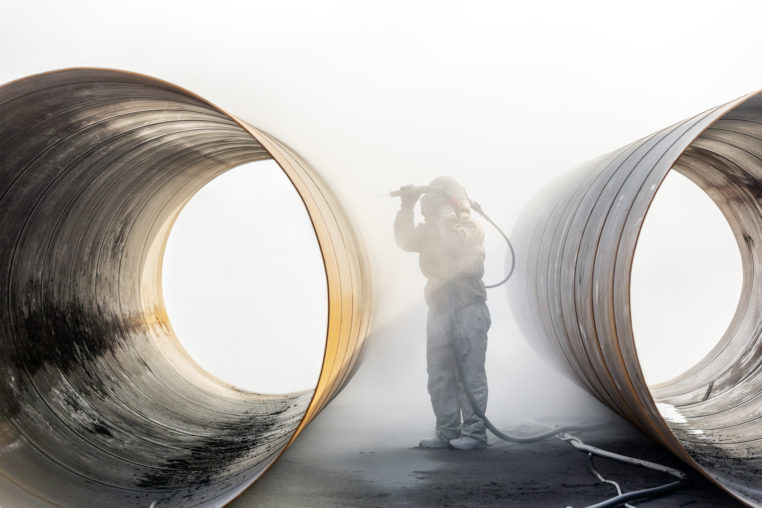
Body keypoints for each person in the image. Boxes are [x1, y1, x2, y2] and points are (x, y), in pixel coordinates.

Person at [394, 176, 491, 450]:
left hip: (468, 309)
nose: (431, 210)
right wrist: (406, 207)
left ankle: (474, 432)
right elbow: (404, 239)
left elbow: (454, 240)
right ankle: (447, 430)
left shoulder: (470, 226)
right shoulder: (428, 231)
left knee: (469, 375)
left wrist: (448, 213)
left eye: (436, 204)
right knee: (440, 373)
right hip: (439, 309)